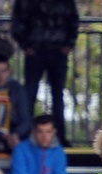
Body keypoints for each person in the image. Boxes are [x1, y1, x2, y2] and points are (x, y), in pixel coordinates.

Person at [11, 0, 79, 147]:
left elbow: (73, 19)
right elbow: (17, 22)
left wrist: (69, 44)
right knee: (28, 95)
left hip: (58, 51)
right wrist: (26, 45)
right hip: (34, 50)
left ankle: (59, 136)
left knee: (58, 96)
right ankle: (24, 134)